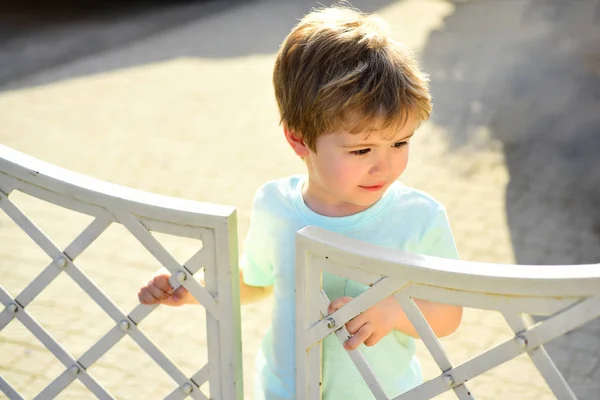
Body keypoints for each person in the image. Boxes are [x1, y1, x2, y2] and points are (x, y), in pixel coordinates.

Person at [138, 4, 462, 399]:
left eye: (400, 142)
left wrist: (393, 311)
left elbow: (448, 314)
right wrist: (198, 289)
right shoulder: (276, 206)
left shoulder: (419, 218)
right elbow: (256, 282)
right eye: (361, 151)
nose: (385, 165)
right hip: (285, 391)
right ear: (298, 138)